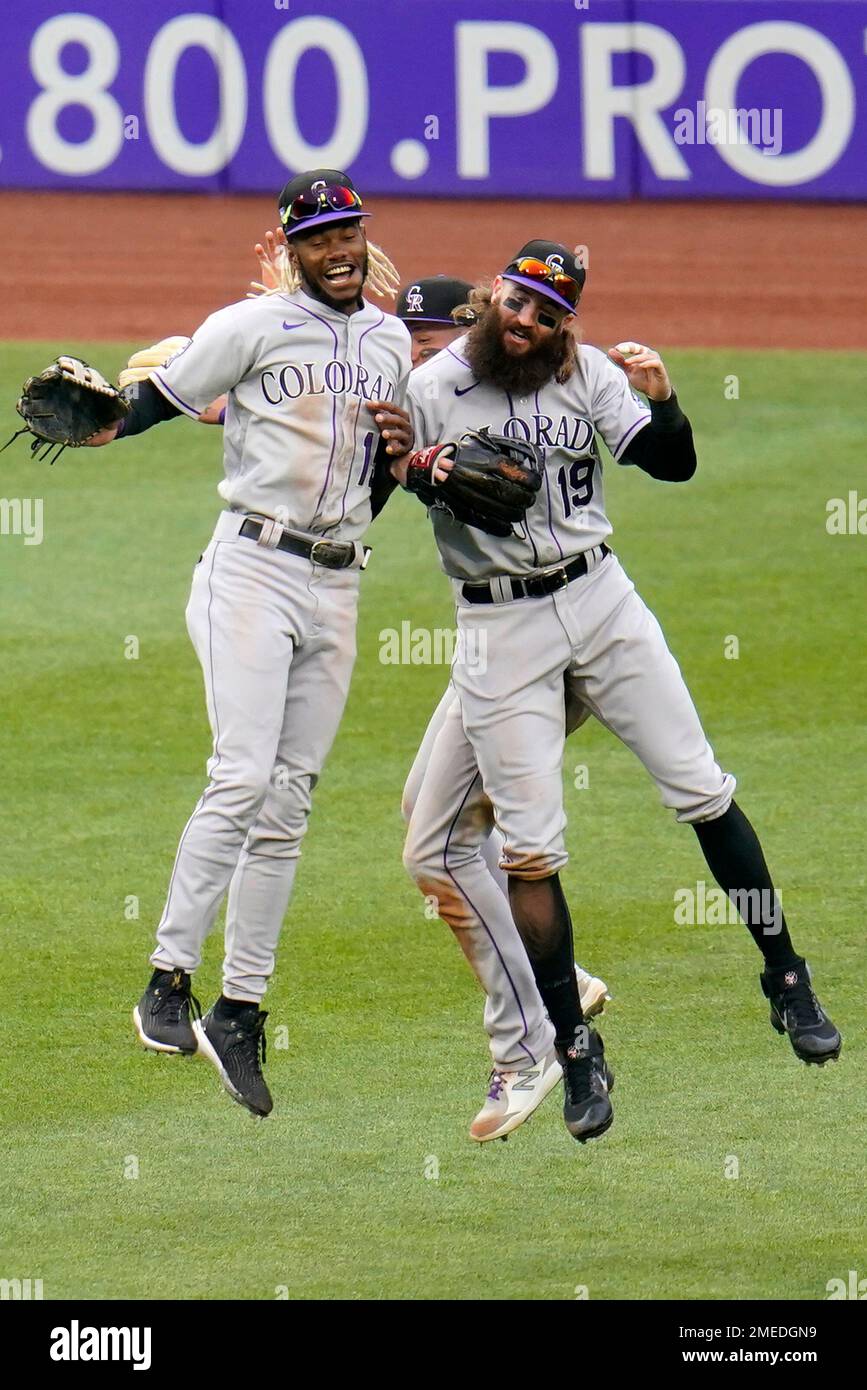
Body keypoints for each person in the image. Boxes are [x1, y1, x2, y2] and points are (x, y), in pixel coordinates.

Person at [400, 240, 841, 1145]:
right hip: (498, 628)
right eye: (516, 304)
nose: (525, 324)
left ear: (568, 323)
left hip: (600, 601)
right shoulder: (434, 382)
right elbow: (372, 475)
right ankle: (572, 1045)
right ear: (494, 299)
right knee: (529, 851)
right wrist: (417, 470)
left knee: (701, 789)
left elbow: (671, 465)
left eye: (547, 314)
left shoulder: (586, 372)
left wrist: (665, 398)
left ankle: (785, 978)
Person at [87, 169, 413, 1117]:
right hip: (252, 570)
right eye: (320, 239)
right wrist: (108, 420)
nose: (341, 250)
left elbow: (379, 470)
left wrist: (393, 473)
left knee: (290, 799)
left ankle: (241, 1005)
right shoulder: (250, 325)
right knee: (242, 775)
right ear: (292, 247)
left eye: (350, 232)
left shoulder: (390, 342)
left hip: (339, 581)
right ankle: (166, 978)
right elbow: (157, 399)